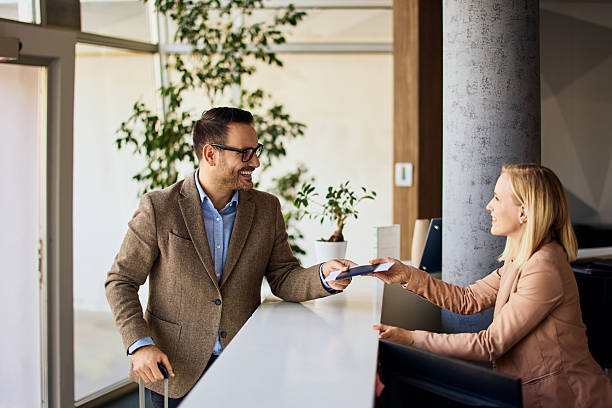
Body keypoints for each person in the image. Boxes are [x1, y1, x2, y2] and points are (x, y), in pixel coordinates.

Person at [105, 107, 353, 408]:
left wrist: (324, 275)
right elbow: (121, 281)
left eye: (256, 151)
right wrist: (139, 345)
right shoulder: (160, 207)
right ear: (211, 154)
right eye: (246, 153)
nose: (256, 162)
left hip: (246, 367)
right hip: (174, 370)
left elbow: (284, 276)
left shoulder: (267, 209)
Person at [369, 164, 612, 408]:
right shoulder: (521, 259)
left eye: (497, 198)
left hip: (567, 398)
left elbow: (490, 344)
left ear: (523, 213)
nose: (489, 206)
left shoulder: (543, 268)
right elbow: (468, 299)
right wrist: (406, 274)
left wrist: (411, 339)